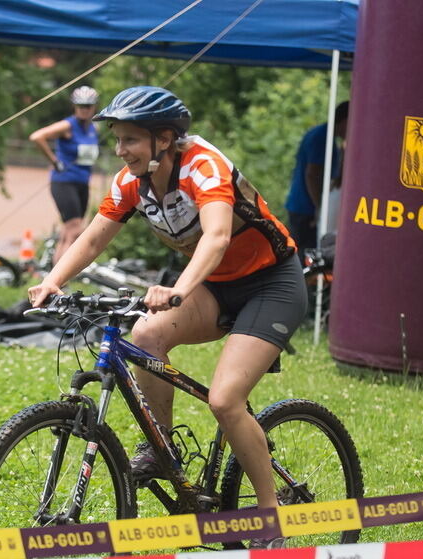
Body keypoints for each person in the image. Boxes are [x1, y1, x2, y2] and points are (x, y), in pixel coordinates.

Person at [28, 86, 305, 514]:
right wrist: (52, 281)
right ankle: (162, 448)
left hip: (272, 282)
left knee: (225, 400)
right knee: (146, 334)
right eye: (117, 139)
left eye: (130, 139)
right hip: (215, 282)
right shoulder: (131, 184)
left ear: (163, 139)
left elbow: (217, 236)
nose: (120, 150)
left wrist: (179, 289)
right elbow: (95, 236)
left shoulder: (204, 167)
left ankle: (269, 517)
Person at [29, 85, 99, 263]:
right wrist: (54, 161)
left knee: (68, 232)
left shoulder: (93, 129)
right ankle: (60, 279)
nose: (84, 109)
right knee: (75, 231)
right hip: (64, 182)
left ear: (94, 107)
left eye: (88, 106)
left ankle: (54, 279)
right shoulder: (68, 125)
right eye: (80, 105)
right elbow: (37, 137)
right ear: (74, 106)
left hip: (82, 183)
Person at [284, 100, 349, 255]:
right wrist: (320, 207)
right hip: (306, 209)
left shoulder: (320, 133)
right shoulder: (323, 138)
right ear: (344, 120)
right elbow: (312, 175)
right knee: (307, 256)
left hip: (301, 205)